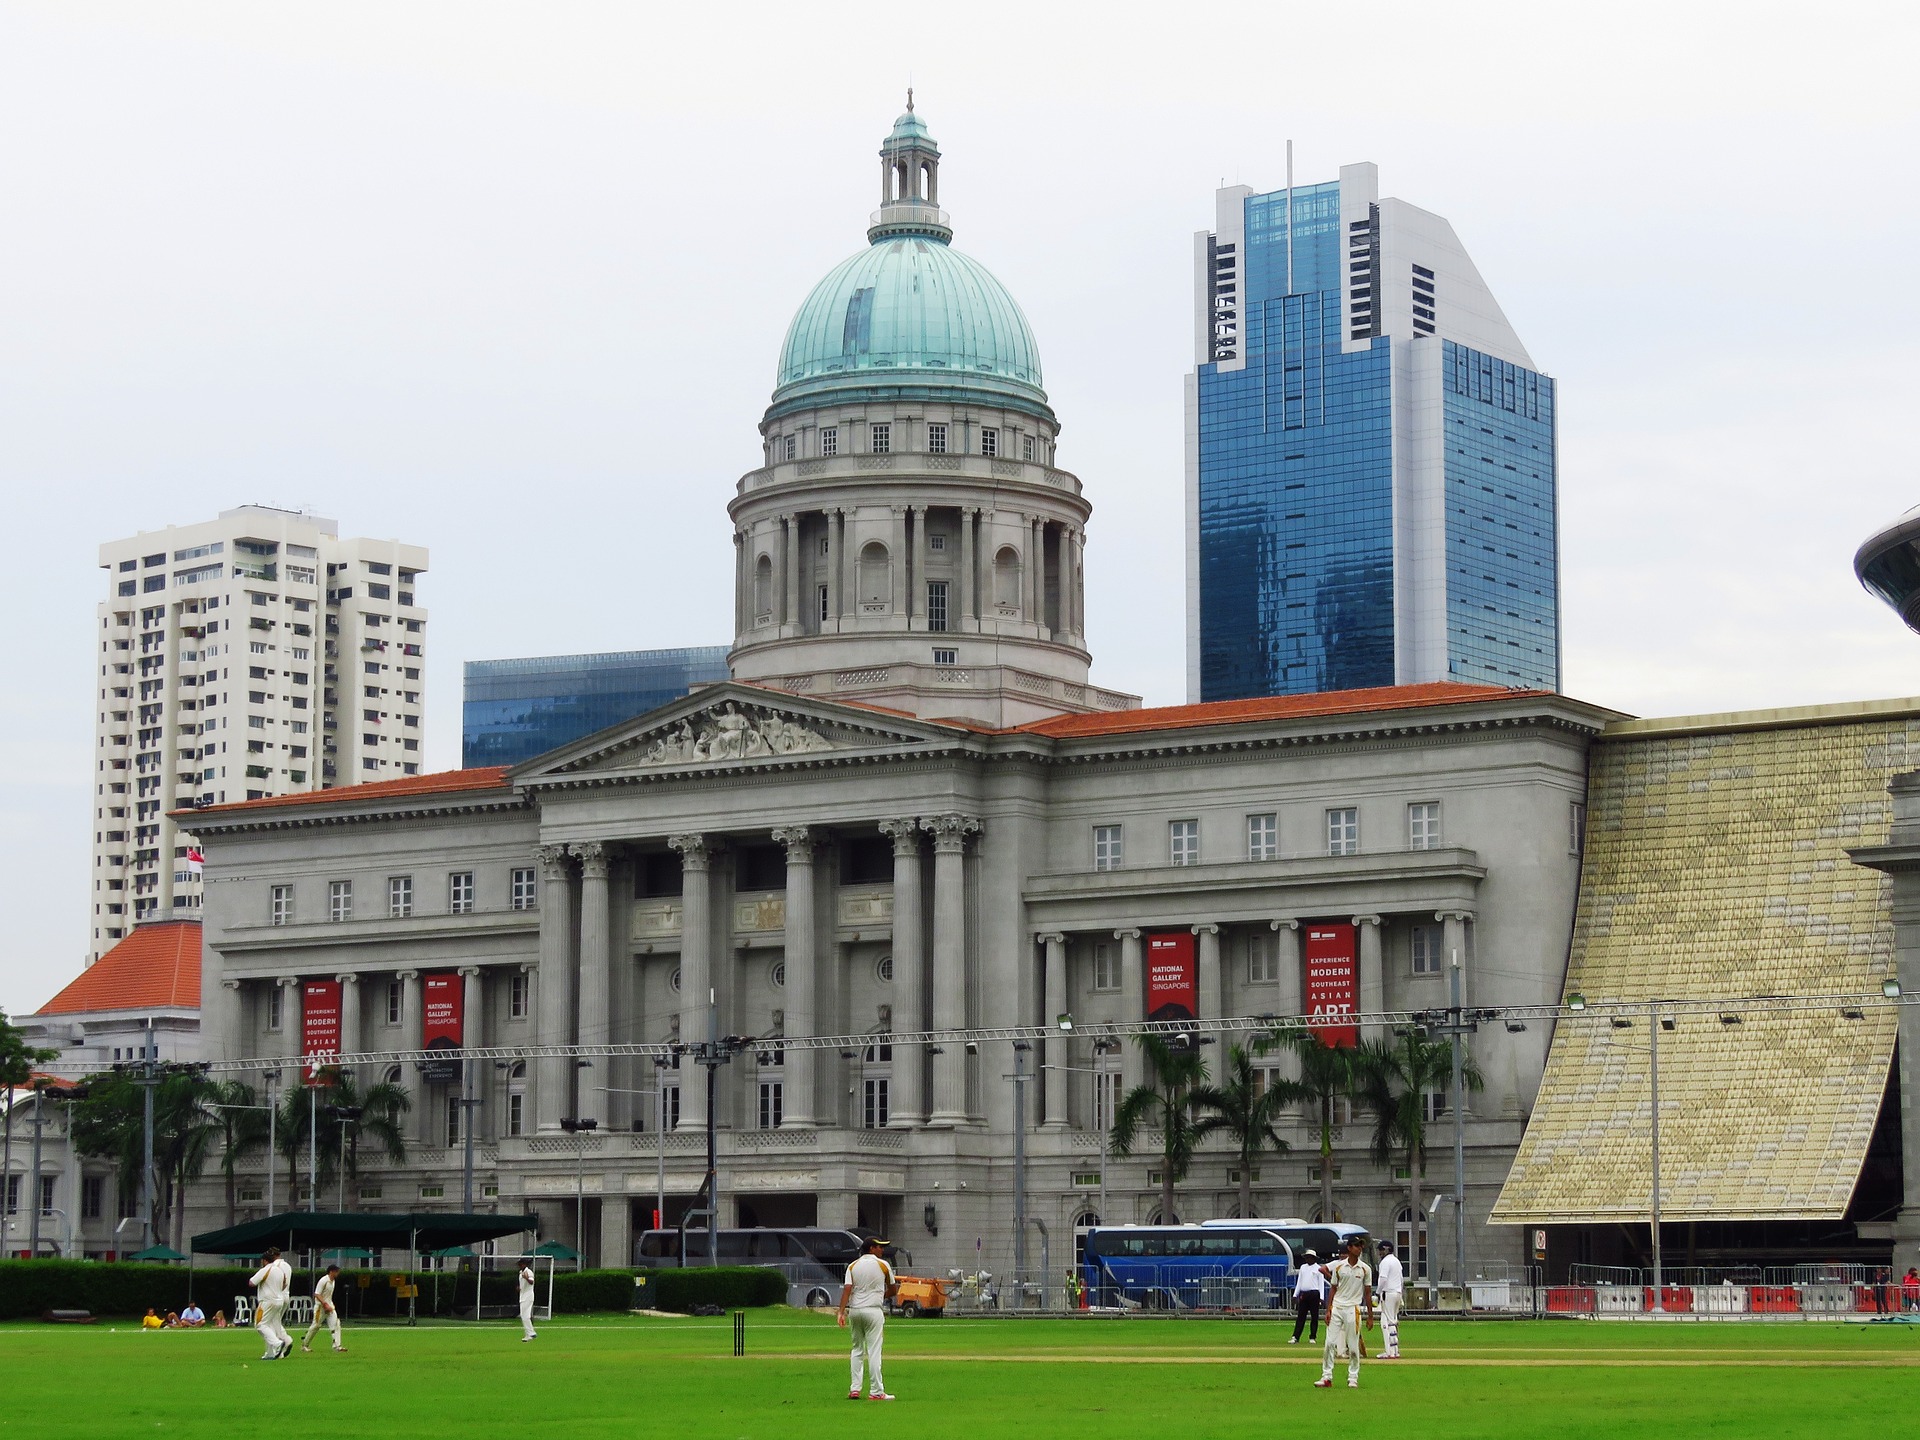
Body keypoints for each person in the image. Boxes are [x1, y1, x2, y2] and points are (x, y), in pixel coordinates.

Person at [837, 1236, 898, 1401]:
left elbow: (847, 1290)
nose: (882, 1250)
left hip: (855, 1311)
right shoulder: (883, 1265)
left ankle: (855, 1389)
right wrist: (880, 1296)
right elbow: (893, 1290)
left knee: (857, 1349)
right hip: (873, 1311)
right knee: (874, 1351)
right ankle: (876, 1391)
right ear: (871, 1248)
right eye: (879, 1247)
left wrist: (841, 1312)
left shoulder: (852, 1266)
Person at [1313, 1235, 1375, 1390]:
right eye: (1356, 1246)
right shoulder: (1339, 1267)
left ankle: (1353, 1377)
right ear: (1349, 1248)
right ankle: (1326, 1377)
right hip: (1337, 1308)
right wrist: (1328, 1309)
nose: (1359, 1248)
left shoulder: (1365, 1269)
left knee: (1353, 1347)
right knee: (1329, 1343)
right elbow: (1333, 1288)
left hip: (1353, 1309)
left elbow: (1368, 1293)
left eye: (1361, 1246)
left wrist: (1370, 1316)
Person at [249, 1246, 294, 1360]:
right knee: (270, 1325)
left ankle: (278, 1344)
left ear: (265, 1260)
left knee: (260, 1325)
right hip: (279, 1300)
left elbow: (252, 1282)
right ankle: (270, 1353)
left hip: (267, 1301)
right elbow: (284, 1285)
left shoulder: (266, 1269)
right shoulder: (281, 1270)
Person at [302, 1264, 346, 1353]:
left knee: (336, 1324)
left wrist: (329, 1305)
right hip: (320, 1307)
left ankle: (337, 1346)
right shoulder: (323, 1280)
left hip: (329, 1307)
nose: (338, 1273)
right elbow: (317, 1294)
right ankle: (304, 1345)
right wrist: (325, 1304)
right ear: (331, 1272)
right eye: (336, 1271)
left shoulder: (333, 1281)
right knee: (316, 1326)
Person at [1375, 1240, 1404, 1359]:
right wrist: (1400, 1293)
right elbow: (1401, 1279)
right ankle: (1395, 1350)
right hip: (1397, 1292)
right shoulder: (1396, 1261)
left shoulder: (1385, 1262)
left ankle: (1389, 1352)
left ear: (1387, 1249)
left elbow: (1383, 1279)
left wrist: (1377, 1292)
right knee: (1393, 1321)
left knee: (1385, 1322)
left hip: (1389, 1293)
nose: (1380, 1252)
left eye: (1381, 1250)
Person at [1289, 1249, 1325, 1344]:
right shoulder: (1303, 1267)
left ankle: (1312, 1337)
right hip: (1304, 1294)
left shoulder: (1318, 1268)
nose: (1307, 1259)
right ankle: (1295, 1337)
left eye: (1309, 1257)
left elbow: (1321, 1284)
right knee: (1301, 1317)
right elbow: (1299, 1281)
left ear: (1313, 1258)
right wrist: (1295, 1294)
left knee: (1314, 1317)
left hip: (1314, 1294)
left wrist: (1322, 1297)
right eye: (1306, 1257)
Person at [517, 1259, 538, 1341]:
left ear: (524, 1264)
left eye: (521, 1264)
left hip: (528, 1296)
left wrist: (526, 1277)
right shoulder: (520, 1273)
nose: (519, 1266)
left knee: (525, 1316)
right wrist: (520, 1288)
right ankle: (528, 1335)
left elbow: (531, 1282)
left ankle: (532, 1333)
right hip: (522, 1296)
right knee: (524, 1316)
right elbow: (523, 1285)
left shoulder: (528, 1272)